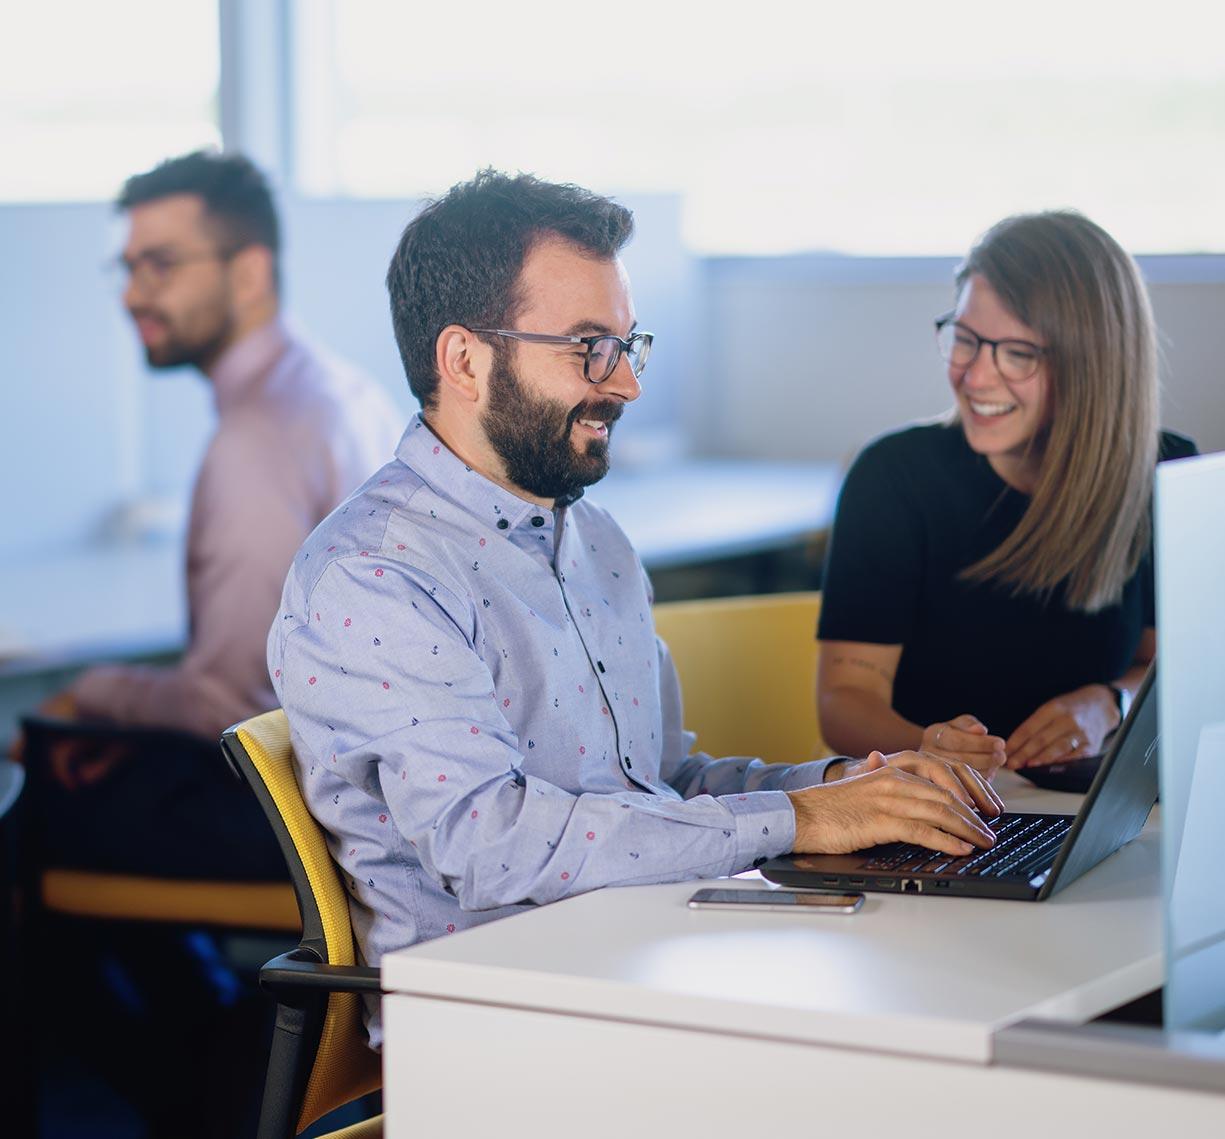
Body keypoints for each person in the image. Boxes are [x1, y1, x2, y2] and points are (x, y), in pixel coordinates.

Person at [269, 169, 1002, 1049]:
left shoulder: (596, 542)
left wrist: (847, 786)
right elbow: (489, 845)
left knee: (932, 1001)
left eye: (626, 344)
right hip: (498, 1028)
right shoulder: (374, 575)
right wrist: (805, 821)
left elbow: (662, 786)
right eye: (588, 348)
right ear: (463, 359)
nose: (626, 386)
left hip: (648, 964)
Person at [32, 149, 403, 877]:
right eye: (129, 268)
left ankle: (184, 997)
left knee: (31, 805)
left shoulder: (256, 439)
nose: (134, 294)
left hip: (310, 818)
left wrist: (88, 697)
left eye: (161, 265)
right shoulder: (335, 387)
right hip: (367, 789)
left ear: (249, 272)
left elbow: (227, 704)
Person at [816, 211, 1196, 774]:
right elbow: (843, 702)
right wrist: (930, 747)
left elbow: (1170, 666)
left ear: (1095, 365)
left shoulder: (1164, 471)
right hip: (940, 811)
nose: (974, 377)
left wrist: (1107, 704)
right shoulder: (894, 476)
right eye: (965, 339)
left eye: (1018, 353)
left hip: (1087, 807)